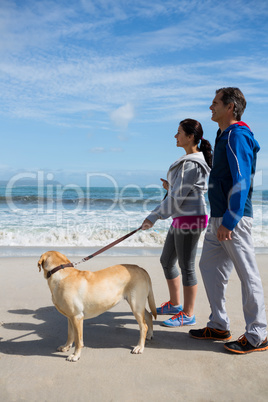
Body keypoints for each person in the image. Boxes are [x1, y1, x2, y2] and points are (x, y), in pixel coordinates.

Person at [189, 87, 268, 354]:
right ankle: (219, 324)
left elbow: (242, 180)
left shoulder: (238, 135)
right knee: (209, 267)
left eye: (214, 103)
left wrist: (231, 220)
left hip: (233, 219)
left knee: (248, 275)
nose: (210, 107)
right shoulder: (223, 134)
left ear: (230, 107)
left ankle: (259, 334)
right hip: (218, 217)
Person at [141, 119, 212, 327]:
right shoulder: (189, 160)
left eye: (179, 132)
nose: (175, 136)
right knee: (166, 260)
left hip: (191, 219)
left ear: (190, 137)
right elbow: (181, 191)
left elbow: (176, 199)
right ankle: (174, 304)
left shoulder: (192, 163)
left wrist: (153, 217)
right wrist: (171, 185)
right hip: (182, 218)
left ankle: (188, 314)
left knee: (187, 266)